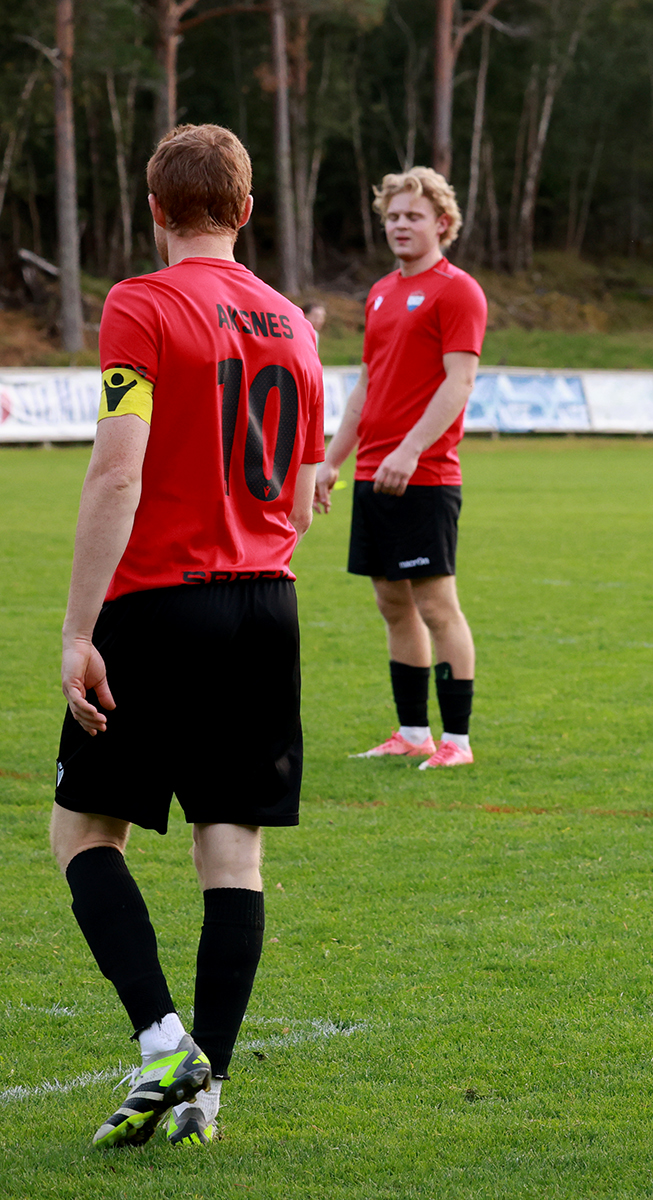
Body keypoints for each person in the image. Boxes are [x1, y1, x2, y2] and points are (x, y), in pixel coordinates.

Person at [52, 124, 324, 1149]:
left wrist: (81, 627)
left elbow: (117, 470)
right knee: (232, 848)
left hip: (162, 605)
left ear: (155, 208)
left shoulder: (141, 303)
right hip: (267, 605)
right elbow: (302, 498)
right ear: (247, 211)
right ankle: (206, 1088)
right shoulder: (295, 324)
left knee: (84, 831)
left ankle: (164, 1038)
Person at [313, 168, 487, 768]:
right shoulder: (382, 292)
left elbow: (459, 380)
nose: (399, 226)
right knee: (392, 603)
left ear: (442, 223)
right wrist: (331, 460)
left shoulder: (457, 290)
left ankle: (456, 743)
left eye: (412, 216)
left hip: (425, 474)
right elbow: (368, 383)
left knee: (438, 606)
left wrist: (409, 449)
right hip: (373, 474)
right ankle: (413, 733)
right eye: (392, 216)